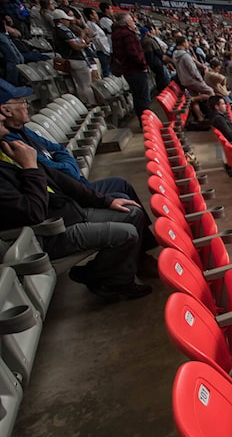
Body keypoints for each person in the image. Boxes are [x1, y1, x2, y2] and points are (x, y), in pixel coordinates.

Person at [0, 95, 152, 301]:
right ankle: (109, 281)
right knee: (126, 233)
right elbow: (33, 212)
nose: (3, 122)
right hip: (47, 232)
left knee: (131, 210)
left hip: (66, 211)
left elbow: (61, 175)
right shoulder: (13, 153)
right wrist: (30, 168)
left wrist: (106, 201)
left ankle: (128, 264)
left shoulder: (12, 145)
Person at [2, 86, 144, 204]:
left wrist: (64, 161)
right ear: (6, 110)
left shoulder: (24, 130)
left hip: (77, 184)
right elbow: (58, 172)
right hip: (68, 194)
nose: (26, 106)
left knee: (122, 184)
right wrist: (68, 164)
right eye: (22, 102)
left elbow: (59, 149)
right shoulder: (12, 144)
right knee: (124, 202)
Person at [110, 12, 151, 119]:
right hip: (136, 69)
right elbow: (134, 53)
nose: (134, 23)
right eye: (132, 21)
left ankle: (143, 121)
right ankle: (147, 122)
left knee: (137, 96)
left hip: (127, 70)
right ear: (128, 22)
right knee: (143, 98)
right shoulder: (127, 34)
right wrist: (143, 64)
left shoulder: (115, 33)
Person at [50, 9, 95, 107]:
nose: (68, 21)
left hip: (69, 59)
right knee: (86, 84)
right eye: (66, 19)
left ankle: (84, 104)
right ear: (60, 20)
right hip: (77, 59)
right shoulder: (64, 30)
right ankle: (91, 103)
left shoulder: (56, 30)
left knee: (80, 84)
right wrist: (86, 43)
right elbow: (76, 46)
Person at [172, 35, 213, 124]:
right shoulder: (185, 56)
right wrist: (200, 79)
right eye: (187, 42)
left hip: (184, 80)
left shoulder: (175, 54)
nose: (188, 44)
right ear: (183, 43)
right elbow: (193, 70)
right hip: (192, 80)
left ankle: (200, 118)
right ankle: (193, 99)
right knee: (211, 92)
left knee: (195, 99)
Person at [83, 7, 111, 78]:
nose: (96, 15)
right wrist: (106, 50)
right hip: (101, 50)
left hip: (104, 50)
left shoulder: (95, 24)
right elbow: (98, 39)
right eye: (95, 13)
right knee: (106, 70)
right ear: (91, 15)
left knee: (107, 68)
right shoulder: (90, 25)